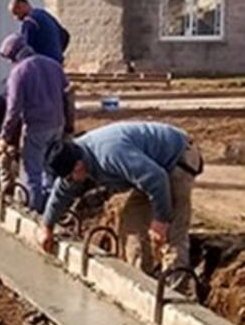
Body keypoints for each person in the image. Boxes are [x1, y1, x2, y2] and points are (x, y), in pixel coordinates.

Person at [41, 123, 203, 288]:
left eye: (70, 177)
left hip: (177, 159)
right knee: (131, 222)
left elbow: (157, 178)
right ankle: (142, 282)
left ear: (78, 166)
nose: (71, 182)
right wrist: (47, 227)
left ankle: (176, 292)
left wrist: (161, 219)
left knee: (172, 232)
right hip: (150, 169)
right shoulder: (74, 157)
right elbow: (62, 192)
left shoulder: (109, 155)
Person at [0, 34, 72, 212]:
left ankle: (34, 210)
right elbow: (68, 97)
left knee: (32, 171)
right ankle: (53, 209)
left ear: (14, 55)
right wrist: (69, 125)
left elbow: (13, 109)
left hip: (36, 127)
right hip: (58, 124)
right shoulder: (53, 65)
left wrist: (4, 136)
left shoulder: (18, 73)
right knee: (50, 169)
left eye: (9, 59)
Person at [9, 0, 69, 64]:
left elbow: (25, 48)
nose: (16, 18)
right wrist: (57, 53)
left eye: (16, 13)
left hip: (42, 65)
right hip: (57, 63)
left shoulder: (29, 21)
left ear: (23, 5)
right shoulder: (44, 14)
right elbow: (64, 35)